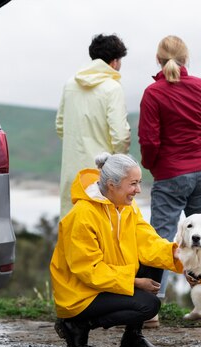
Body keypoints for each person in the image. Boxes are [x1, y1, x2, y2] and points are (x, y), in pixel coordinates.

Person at [137, 35, 201, 316]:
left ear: (158, 59)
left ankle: (150, 308)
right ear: (186, 59)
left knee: (163, 241)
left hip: (170, 174)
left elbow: (149, 141)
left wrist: (152, 165)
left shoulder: (153, 93)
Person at [50, 152, 183, 347]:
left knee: (157, 259)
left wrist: (184, 258)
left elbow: (148, 242)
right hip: (80, 293)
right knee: (149, 305)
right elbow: (89, 270)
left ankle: (132, 340)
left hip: (109, 282)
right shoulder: (82, 215)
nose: (138, 190)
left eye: (139, 183)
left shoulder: (127, 207)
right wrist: (135, 282)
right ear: (112, 185)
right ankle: (75, 324)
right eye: (133, 184)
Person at [56, 34, 131, 217]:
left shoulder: (70, 84)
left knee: (71, 223)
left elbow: (60, 126)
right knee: (102, 226)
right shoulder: (112, 88)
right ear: (114, 62)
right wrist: (118, 163)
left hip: (71, 171)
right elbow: (120, 136)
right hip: (101, 173)